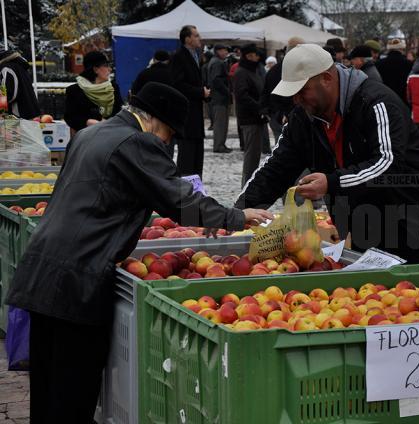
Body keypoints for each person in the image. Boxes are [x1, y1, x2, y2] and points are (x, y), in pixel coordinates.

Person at [6, 82, 273, 424]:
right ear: (155, 122)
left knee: (47, 393)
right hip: (78, 279)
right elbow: (181, 201)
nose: (167, 143)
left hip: (42, 269)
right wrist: (237, 216)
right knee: (72, 398)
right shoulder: (138, 142)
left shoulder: (92, 134)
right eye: (169, 135)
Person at [235, 44, 419, 264]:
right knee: (374, 283)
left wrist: (332, 182)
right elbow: (277, 167)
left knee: (412, 281)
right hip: (365, 211)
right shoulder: (303, 117)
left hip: (411, 207)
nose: (296, 99)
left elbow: (387, 162)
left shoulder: (376, 102)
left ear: (326, 78)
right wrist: (239, 212)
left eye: (302, 90)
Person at [171, 25, 210, 176]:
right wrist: (200, 92)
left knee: (197, 156)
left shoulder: (195, 55)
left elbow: (195, 82)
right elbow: (178, 85)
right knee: (187, 158)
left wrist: (205, 93)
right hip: (186, 116)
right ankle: (186, 193)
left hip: (196, 115)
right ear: (187, 39)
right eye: (196, 35)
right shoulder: (179, 56)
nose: (199, 38)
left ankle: (196, 190)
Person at [233, 43, 268, 186]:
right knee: (251, 155)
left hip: (257, 118)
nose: (258, 57)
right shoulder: (242, 72)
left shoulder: (253, 71)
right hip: (250, 119)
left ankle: (250, 183)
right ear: (249, 56)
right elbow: (242, 96)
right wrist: (259, 107)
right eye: (255, 55)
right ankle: (246, 186)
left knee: (255, 155)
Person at [64, 51, 123, 134]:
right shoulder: (75, 90)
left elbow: (119, 112)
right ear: (95, 69)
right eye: (106, 66)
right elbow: (70, 117)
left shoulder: (113, 88)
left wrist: (108, 122)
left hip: (110, 136)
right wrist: (87, 122)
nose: (110, 69)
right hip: (85, 138)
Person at [261, 37, 303, 143]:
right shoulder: (287, 70)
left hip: (279, 114)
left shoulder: (274, 70)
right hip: (285, 115)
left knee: (282, 146)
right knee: (286, 147)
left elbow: (266, 93)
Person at [203, 44, 232, 153]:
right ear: (218, 51)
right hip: (219, 98)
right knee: (220, 124)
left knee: (221, 123)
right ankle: (219, 145)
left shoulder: (216, 61)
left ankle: (221, 144)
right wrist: (227, 91)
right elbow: (216, 80)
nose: (226, 53)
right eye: (224, 50)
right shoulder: (217, 63)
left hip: (218, 97)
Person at [0, 48, 39, 118]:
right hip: (29, 112)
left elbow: (8, 93)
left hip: (16, 115)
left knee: (11, 129)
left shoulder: (6, 68)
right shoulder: (18, 65)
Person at [376, 38, 413, 104]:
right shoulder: (409, 64)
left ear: (389, 49)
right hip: (403, 100)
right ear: (401, 49)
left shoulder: (379, 63)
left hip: (385, 98)